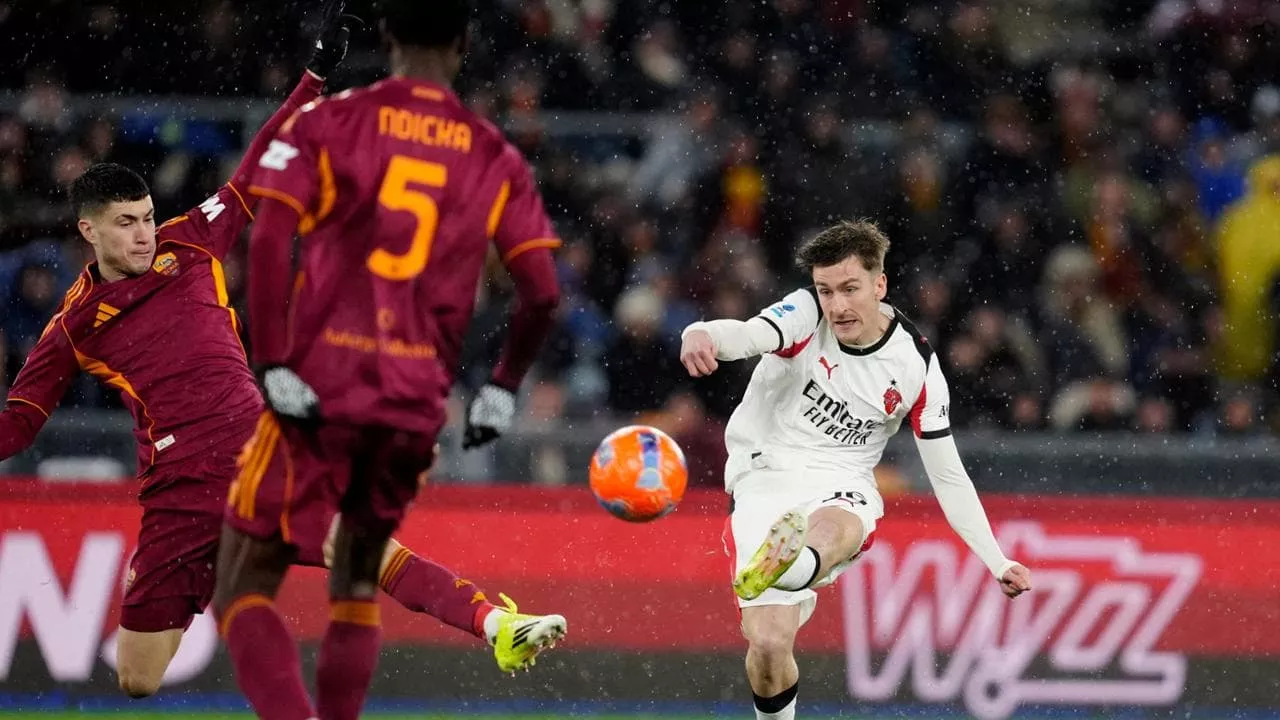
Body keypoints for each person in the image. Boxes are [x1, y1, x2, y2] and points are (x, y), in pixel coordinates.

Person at [0, 7, 551, 703]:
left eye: (145, 218)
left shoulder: (187, 243)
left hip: (258, 446)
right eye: (126, 225)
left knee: (354, 545)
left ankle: (493, 621)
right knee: (137, 677)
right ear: (88, 231)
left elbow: (255, 173)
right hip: (177, 489)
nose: (144, 235)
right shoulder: (73, 326)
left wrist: (313, 77)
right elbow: (19, 424)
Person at [212, 0, 565, 718]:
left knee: (242, 585)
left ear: (385, 37)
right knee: (357, 580)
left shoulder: (331, 121)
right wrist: (501, 388)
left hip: (321, 387)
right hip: (411, 403)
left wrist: (274, 361)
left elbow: (270, 235)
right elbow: (542, 294)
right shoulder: (493, 153)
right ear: (464, 46)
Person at [679, 219, 1033, 720]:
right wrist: (702, 332)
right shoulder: (804, 313)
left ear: (879, 284)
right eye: (826, 291)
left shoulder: (916, 366)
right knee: (769, 645)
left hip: (842, 478)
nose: (837, 305)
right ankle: (784, 572)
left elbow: (948, 475)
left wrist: (997, 560)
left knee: (835, 524)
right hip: (765, 472)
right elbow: (748, 334)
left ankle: (794, 563)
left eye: (849, 289)